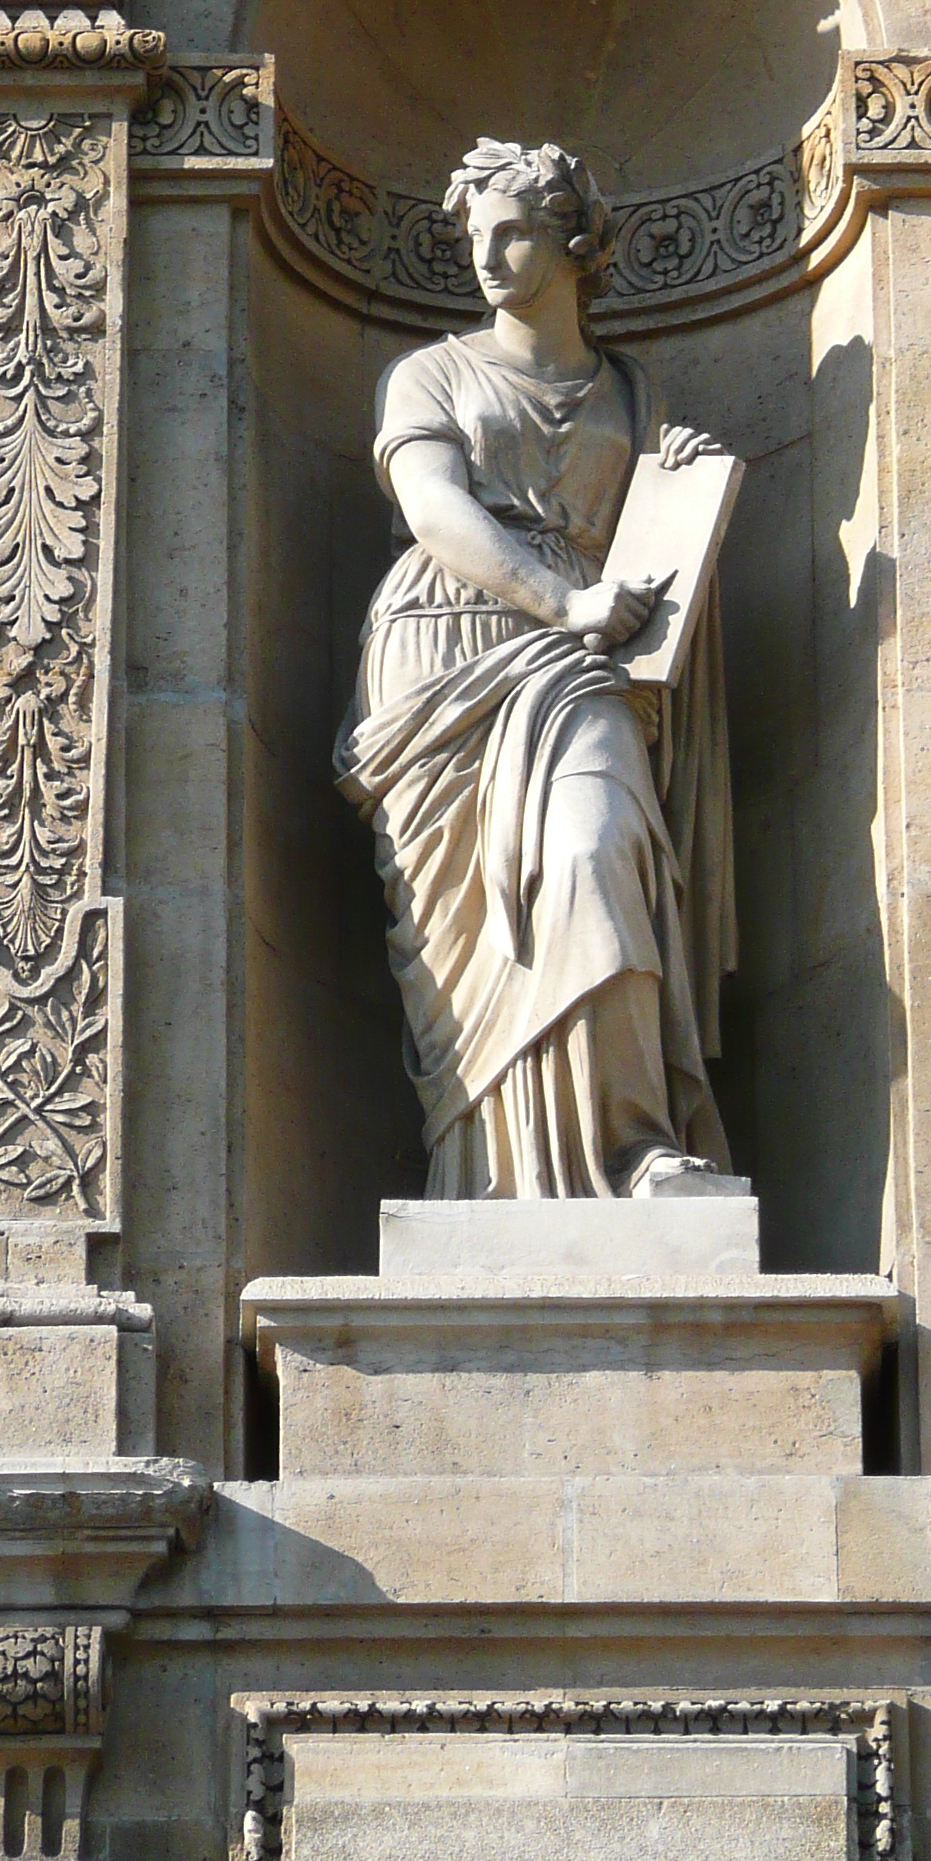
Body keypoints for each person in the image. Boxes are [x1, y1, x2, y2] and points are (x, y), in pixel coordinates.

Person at [335, 138, 737, 1200]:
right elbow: (433, 510)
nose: (489, 254)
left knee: (595, 848)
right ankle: (489, 1175)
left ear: (573, 238)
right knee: (466, 933)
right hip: (445, 653)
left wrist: (676, 496)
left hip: (585, 664)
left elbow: (659, 559)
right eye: (476, 235)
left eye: (513, 229)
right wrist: (567, 599)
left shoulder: (636, 392)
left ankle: (633, 1143)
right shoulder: (431, 372)